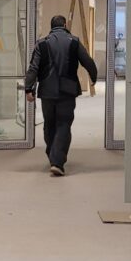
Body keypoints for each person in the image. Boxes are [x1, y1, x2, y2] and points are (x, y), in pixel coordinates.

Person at [25, 15, 98, 176]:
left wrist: (28, 89)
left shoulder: (41, 43)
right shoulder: (74, 41)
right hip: (68, 90)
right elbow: (87, 61)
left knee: (49, 124)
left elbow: (33, 68)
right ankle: (57, 161)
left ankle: (53, 155)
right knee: (64, 124)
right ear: (65, 25)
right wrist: (93, 77)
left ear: (51, 26)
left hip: (47, 91)